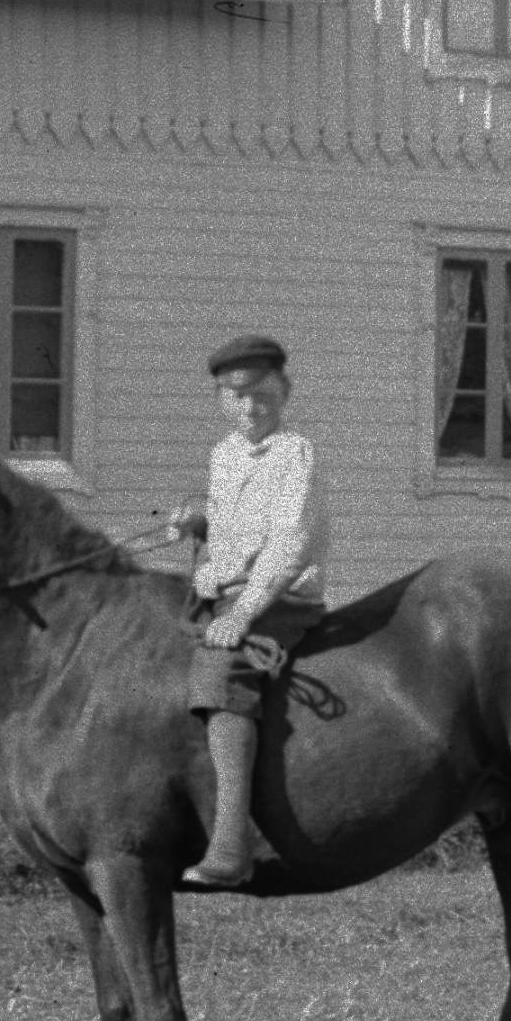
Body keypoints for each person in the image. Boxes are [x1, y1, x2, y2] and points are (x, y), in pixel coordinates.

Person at [175, 333, 330, 888]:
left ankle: (232, 847)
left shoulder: (296, 453)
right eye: (236, 396)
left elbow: (290, 542)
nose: (251, 408)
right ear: (221, 399)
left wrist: (243, 615)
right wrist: (200, 522)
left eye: (263, 395)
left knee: (223, 669)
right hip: (224, 588)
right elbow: (232, 527)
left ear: (283, 394)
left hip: (279, 597)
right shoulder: (224, 455)